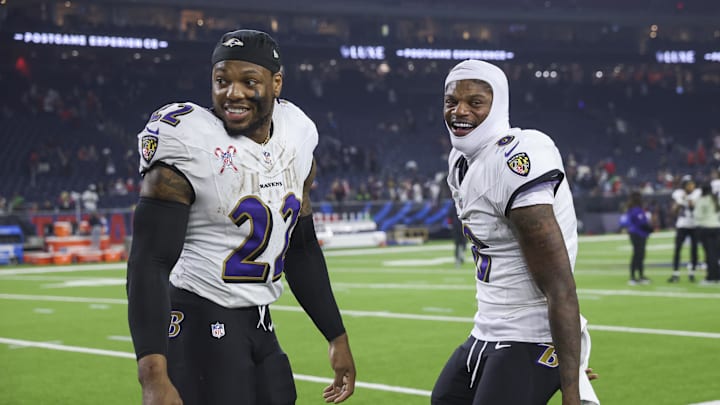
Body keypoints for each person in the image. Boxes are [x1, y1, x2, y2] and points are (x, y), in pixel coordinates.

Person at [126, 29, 356, 405]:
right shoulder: (187, 139)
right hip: (199, 319)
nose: (233, 93)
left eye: (249, 82)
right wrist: (152, 375)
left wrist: (337, 336)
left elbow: (300, 248)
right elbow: (148, 262)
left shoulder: (296, 133)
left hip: (260, 321)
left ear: (276, 83)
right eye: (222, 81)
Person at [432, 59, 598, 405]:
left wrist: (571, 388)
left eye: (475, 102)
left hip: (531, 331)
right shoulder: (461, 160)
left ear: (498, 105)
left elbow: (559, 284)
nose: (459, 110)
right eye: (451, 101)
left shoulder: (516, 158)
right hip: (488, 325)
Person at [668, 176, 701, 283]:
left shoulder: (697, 193)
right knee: (677, 249)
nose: (691, 186)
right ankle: (675, 273)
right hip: (682, 224)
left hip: (694, 224)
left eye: (692, 184)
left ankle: (692, 273)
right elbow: (674, 211)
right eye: (689, 184)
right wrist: (680, 201)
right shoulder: (678, 194)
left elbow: (693, 207)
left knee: (694, 251)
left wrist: (688, 198)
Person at [623, 191, 653, 285]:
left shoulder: (634, 209)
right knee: (638, 255)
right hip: (637, 234)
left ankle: (640, 276)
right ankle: (633, 277)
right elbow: (641, 223)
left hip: (638, 233)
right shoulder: (636, 209)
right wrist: (650, 229)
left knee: (640, 255)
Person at [693, 183, 720, 284]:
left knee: (709, 254)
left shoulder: (702, 200)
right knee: (716, 254)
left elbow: (697, 215)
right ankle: (717, 276)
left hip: (705, 228)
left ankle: (710, 277)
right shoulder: (715, 199)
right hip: (717, 227)